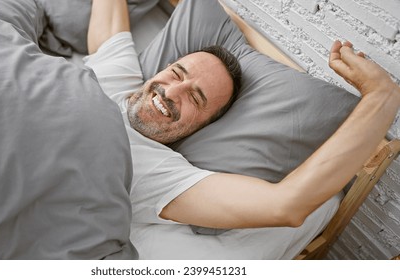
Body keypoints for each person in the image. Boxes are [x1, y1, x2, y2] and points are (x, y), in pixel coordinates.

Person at [85, 0, 400, 248]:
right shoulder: (117, 79)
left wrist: (381, 96)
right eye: (178, 74)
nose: (171, 92)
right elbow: (108, 29)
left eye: (196, 98)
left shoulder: (160, 173)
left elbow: (286, 206)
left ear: (203, 127)